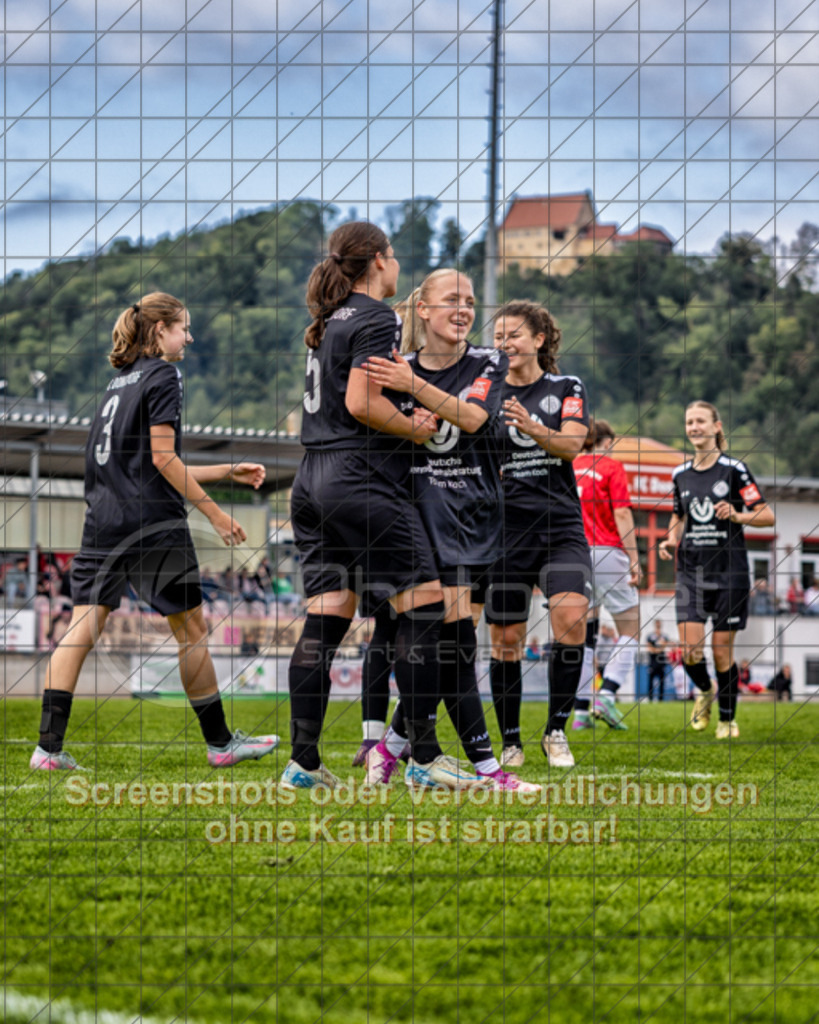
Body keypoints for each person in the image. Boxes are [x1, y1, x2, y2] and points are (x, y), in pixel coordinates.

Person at [30, 293, 278, 770]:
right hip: (152, 525)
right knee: (191, 630)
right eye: (184, 327)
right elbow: (163, 459)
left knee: (83, 626)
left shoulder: (116, 384)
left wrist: (225, 471)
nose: (189, 336)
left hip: (102, 522)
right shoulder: (165, 374)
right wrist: (215, 514)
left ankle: (48, 748)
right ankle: (221, 744)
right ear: (160, 330)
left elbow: (145, 462)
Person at [283, 223, 475, 791]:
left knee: (325, 620)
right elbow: (362, 400)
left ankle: (304, 764)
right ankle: (424, 757)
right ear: (378, 262)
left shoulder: (329, 322)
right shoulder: (375, 316)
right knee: (425, 606)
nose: (399, 270)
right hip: (357, 478)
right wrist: (415, 427)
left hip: (311, 478)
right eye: (396, 258)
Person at [361, 269, 538, 793]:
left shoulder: (487, 361)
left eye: (469, 301)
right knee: (454, 642)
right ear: (423, 309)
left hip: (470, 518)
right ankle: (482, 768)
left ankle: (390, 751)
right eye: (451, 300)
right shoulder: (399, 366)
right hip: (414, 521)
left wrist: (411, 387)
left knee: (453, 644)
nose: (463, 309)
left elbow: (476, 418)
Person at [481, 300, 591, 769]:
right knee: (506, 639)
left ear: (539, 340)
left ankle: (555, 732)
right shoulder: (485, 392)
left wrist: (532, 427)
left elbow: (571, 445)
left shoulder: (566, 386)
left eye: (513, 335)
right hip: (504, 532)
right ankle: (510, 741)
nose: (504, 343)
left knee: (571, 619)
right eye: (499, 336)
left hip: (559, 525)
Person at [659, 400, 776, 739]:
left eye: (700, 421)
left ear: (716, 427)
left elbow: (767, 516)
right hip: (691, 571)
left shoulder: (734, 470)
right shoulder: (679, 474)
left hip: (730, 573)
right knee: (689, 650)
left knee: (722, 652)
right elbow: (678, 515)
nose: (694, 427)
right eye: (689, 421)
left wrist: (738, 515)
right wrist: (669, 540)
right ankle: (705, 689)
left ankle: (727, 720)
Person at [571, 418, 642, 730]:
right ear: (607, 442)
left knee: (585, 636)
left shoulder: (568, 465)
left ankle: (581, 713)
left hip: (571, 554)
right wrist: (635, 558)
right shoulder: (611, 467)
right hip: (605, 551)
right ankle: (608, 692)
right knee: (632, 627)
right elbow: (622, 512)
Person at [645, 619, 672, 703]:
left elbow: (665, 646)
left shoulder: (664, 636)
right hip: (652, 662)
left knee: (662, 681)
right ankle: (650, 699)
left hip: (661, 662)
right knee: (650, 681)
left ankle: (661, 699)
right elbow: (649, 648)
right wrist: (657, 650)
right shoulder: (650, 636)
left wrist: (658, 649)